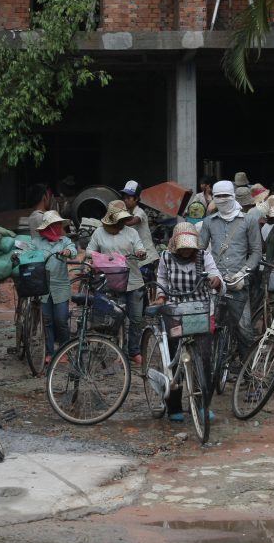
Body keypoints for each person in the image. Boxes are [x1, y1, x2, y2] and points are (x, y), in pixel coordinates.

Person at [154, 222, 223, 422]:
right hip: (175, 312)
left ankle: (202, 405)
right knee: (175, 359)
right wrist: (161, 296)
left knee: (203, 359)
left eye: (189, 247)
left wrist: (216, 281)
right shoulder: (166, 257)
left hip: (200, 312)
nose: (186, 251)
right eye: (182, 247)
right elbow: (162, 279)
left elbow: (215, 274)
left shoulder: (204, 256)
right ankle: (174, 407)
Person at [198, 180, 263, 355]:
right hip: (215, 282)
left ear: (233, 196)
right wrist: (205, 273)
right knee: (211, 327)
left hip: (239, 283)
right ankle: (213, 365)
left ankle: (245, 367)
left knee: (244, 329)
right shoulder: (209, 222)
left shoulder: (249, 220)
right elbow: (200, 251)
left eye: (226, 196)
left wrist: (243, 272)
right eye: (218, 196)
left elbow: (256, 252)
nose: (222, 199)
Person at [87, 200, 147, 364]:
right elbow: (89, 251)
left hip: (134, 281)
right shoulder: (99, 232)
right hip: (112, 283)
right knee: (117, 318)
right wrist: (104, 258)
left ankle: (134, 351)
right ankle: (120, 351)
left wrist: (140, 253)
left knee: (136, 319)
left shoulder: (131, 233)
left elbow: (140, 248)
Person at [31, 210, 77, 363]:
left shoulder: (64, 241)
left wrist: (68, 251)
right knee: (47, 321)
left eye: (58, 224)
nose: (58, 227)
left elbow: (73, 250)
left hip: (61, 286)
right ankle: (50, 352)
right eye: (54, 225)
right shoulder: (37, 242)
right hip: (43, 287)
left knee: (61, 320)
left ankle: (64, 350)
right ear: (48, 227)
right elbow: (27, 251)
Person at [120, 180, 160, 279]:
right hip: (135, 258)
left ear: (137, 198)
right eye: (124, 197)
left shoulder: (139, 212)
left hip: (147, 257)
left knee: (143, 283)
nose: (125, 200)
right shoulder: (125, 213)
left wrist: (117, 223)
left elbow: (134, 221)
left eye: (128, 198)